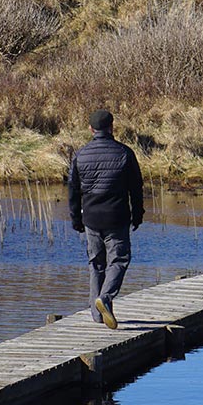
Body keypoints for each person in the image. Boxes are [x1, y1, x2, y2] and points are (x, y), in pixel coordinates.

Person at [67, 108, 144, 329]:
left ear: (91, 129)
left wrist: (76, 219)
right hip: (117, 217)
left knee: (96, 263)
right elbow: (135, 189)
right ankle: (106, 298)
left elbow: (73, 190)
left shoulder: (81, 155)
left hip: (91, 217)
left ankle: (97, 314)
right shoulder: (124, 153)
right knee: (119, 260)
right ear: (112, 127)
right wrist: (137, 215)